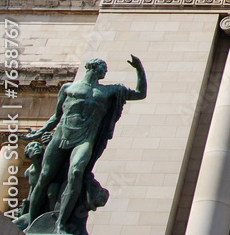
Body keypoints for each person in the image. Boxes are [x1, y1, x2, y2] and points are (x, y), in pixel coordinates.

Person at [20, 55, 146, 234]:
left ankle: (61, 225)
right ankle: (33, 224)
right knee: (45, 176)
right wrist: (39, 132)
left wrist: (139, 69)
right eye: (104, 68)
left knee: (76, 172)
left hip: (85, 137)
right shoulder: (68, 88)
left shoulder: (108, 91)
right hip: (62, 135)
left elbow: (140, 94)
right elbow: (56, 117)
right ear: (94, 68)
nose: (106, 72)